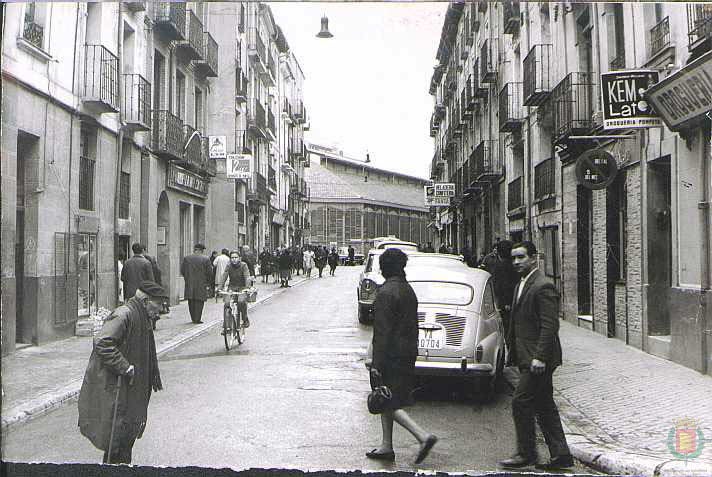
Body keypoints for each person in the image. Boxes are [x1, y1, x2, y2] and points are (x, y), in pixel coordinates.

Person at [499, 241, 573, 471]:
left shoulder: (543, 286)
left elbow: (549, 326)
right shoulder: (521, 284)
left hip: (538, 359)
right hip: (527, 356)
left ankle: (526, 453)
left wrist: (540, 357)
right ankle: (561, 455)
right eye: (513, 258)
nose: (516, 262)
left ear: (533, 258)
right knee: (544, 404)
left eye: (521, 257)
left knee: (521, 401)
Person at [78, 280, 166, 464]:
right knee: (117, 441)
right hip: (119, 388)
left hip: (131, 389)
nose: (160, 311)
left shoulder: (140, 316)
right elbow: (103, 342)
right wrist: (124, 366)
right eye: (157, 305)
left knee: (125, 440)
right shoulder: (124, 314)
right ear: (145, 301)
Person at [367, 248, 438, 464]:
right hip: (407, 352)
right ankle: (386, 446)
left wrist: (376, 363)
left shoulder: (386, 292)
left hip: (390, 355)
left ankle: (422, 436)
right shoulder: (408, 290)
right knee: (387, 395)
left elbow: (382, 332)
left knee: (388, 400)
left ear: (383, 268)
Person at [490, 240, 518, 352]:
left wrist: (505, 302)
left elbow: (502, 285)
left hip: (505, 304)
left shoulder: (501, 266)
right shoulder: (514, 264)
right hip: (514, 301)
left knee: (507, 329)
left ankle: (511, 355)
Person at [217, 250, 252, 329]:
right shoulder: (229, 265)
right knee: (227, 303)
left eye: (236, 257)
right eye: (232, 258)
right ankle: (226, 326)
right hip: (232, 287)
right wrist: (219, 288)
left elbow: (247, 277)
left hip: (242, 288)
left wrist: (247, 287)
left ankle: (245, 319)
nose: (234, 259)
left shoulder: (244, 265)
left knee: (241, 301)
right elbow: (224, 276)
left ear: (239, 258)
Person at [180, 243, 213, 324]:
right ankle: (197, 318)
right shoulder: (206, 259)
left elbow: (182, 270)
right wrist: (208, 283)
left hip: (189, 283)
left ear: (194, 249)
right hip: (201, 283)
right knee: (199, 301)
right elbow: (210, 273)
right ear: (201, 250)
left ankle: (193, 318)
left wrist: (187, 278)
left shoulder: (187, 258)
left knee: (191, 301)